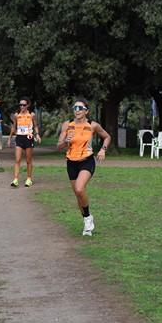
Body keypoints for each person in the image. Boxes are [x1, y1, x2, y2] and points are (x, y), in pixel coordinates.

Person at [56, 98, 111, 236]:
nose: (77, 110)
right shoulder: (67, 125)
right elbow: (58, 146)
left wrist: (103, 149)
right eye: (75, 108)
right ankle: (87, 222)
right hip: (71, 162)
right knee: (78, 195)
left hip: (87, 160)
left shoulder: (93, 125)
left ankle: (87, 218)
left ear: (87, 111)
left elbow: (107, 137)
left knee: (80, 189)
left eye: (80, 108)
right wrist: (65, 142)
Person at [7, 96, 41, 187]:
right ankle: (15, 179)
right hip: (19, 138)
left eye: (24, 105)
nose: (22, 107)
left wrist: (37, 134)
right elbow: (14, 127)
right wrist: (10, 138)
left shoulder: (31, 115)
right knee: (17, 159)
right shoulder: (17, 116)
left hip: (28, 138)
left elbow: (35, 126)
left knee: (28, 160)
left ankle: (29, 178)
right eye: (20, 105)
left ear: (27, 105)